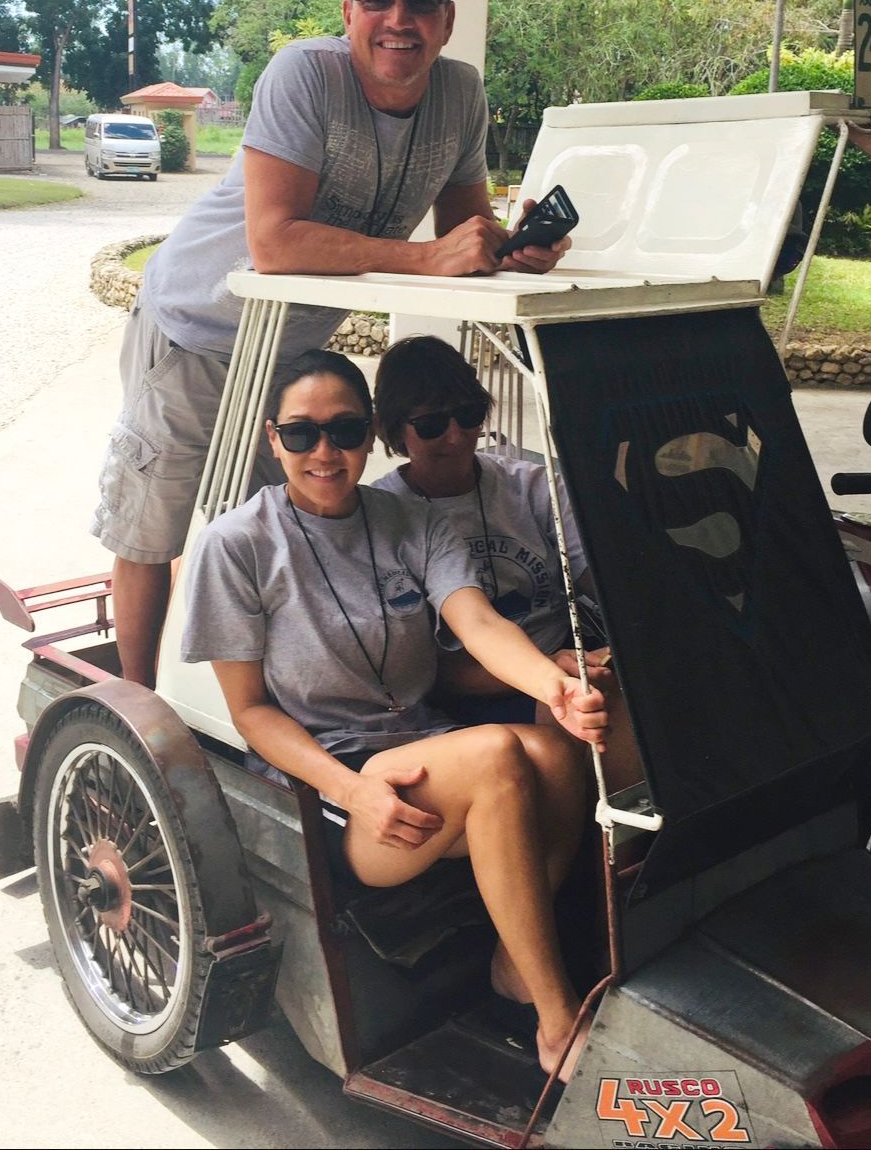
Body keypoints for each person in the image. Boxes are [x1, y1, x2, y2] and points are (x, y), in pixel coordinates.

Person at [91, 0, 569, 689]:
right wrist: (427, 257)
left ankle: (256, 708)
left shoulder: (460, 94)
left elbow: (460, 232)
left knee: (276, 531)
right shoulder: (305, 74)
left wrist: (509, 247)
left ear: (447, 20)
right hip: (195, 325)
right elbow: (274, 243)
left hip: (284, 351)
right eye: (376, 0)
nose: (398, 20)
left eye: (421, 3)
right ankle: (135, 702)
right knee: (154, 526)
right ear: (348, 13)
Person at [182, 350, 606, 1082]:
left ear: (369, 432)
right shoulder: (238, 545)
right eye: (301, 433)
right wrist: (352, 791)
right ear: (272, 438)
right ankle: (554, 1015)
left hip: (423, 743)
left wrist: (553, 683)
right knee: (498, 756)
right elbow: (249, 711)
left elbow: (476, 622)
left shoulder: (410, 521)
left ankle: (515, 963)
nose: (324, 452)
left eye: (344, 430)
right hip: (334, 780)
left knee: (557, 750)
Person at [372, 335, 640, 792]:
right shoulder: (385, 516)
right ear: (394, 430)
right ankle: (608, 829)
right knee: (582, 701)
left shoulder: (530, 486)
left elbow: (603, 580)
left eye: (469, 415)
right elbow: (430, 668)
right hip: (463, 684)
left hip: (561, 658)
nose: (456, 436)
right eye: (431, 425)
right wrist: (550, 671)